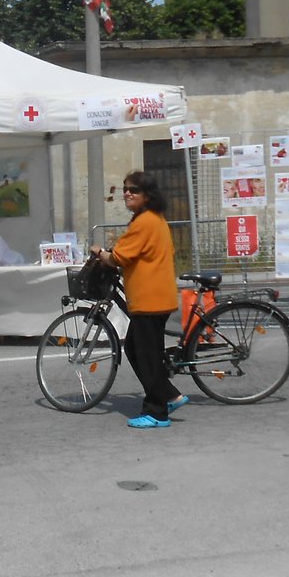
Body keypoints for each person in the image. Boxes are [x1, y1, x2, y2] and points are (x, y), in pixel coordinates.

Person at [90, 170, 189, 430]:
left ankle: (158, 412)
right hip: (155, 296)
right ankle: (170, 395)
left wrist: (99, 252)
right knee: (136, 348)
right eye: (125, 188)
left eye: (133, 190)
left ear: (147, 195)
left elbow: (118, 258)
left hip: (149, 299)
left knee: (146, 355)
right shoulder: (153, 219)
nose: (127, 193)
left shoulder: (145, 222)